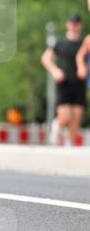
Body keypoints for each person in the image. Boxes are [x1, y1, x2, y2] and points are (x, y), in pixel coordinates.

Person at [41, 12, 86, 146]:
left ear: (80, 26)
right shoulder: (60, 42)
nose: (74, 26)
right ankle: (56, 125)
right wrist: (55, 71)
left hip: (79, 83)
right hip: (64, 83)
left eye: (76, 23)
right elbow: (45, 58)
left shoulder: (84, 43)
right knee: (65, 116)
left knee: (77, 116)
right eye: (72, 23)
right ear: (68, 24)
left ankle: (70, 143)